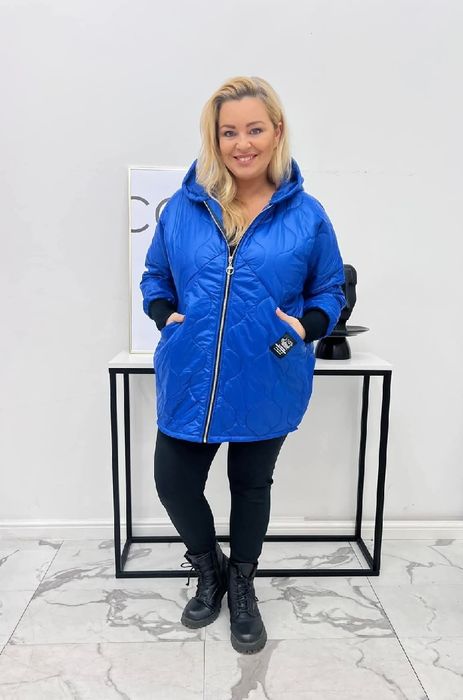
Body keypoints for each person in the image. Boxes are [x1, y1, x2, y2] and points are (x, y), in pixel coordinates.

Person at [140, 76, 346, 655]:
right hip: (191, 372)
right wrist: (163, 314)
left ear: (276, 132)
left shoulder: (307, 215)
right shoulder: (185, 208)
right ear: (215, 138)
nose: (242, 143)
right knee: (174, 482)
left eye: (254, 129)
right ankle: (211, 569)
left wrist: (306, 326)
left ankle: (244, 584)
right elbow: (156, 275)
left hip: (268, 371)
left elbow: (329, 288)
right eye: (228, 132)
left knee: (250, 486)